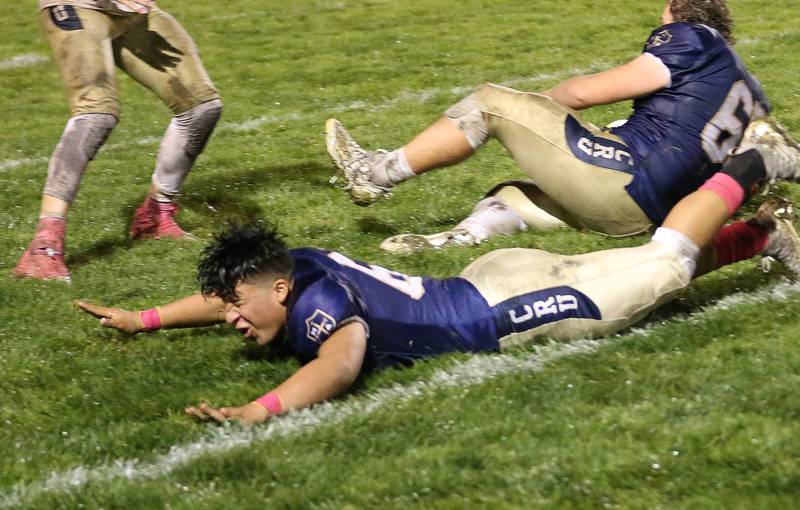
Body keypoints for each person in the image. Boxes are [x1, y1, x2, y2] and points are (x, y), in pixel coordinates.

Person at [77, 142, 800, 425]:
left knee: (665, 264)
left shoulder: (322, 305)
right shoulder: (291, 265)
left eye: (239, 308)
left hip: (510, 308)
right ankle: (766, 234)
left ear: (281, 293)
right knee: (640, 271)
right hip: (489, 279)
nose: (232, 318)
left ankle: (753, 165)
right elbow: (228, 293)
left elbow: (341, 362)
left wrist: (263, 407)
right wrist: (144, 319)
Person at [326, 0, 800, 253]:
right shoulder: (750, 91)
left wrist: (540, 111)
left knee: (491, 103)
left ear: (679, 12)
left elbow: (582, 94)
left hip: (625, 181)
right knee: (513, 194)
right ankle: (454, 242)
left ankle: (372, 174)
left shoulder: (693, 37)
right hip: (650, 216)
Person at [14, 0, 223, 282]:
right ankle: (44, 246)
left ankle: (154, 216)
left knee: (201, 107)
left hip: (134, 11)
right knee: (96, 114)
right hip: (79, 6)